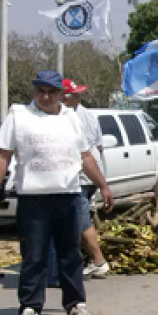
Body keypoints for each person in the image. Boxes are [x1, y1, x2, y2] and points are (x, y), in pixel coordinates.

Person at [0, 70, 113, 315]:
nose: (46, 96)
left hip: (68, 196)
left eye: (52, 91)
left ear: (61, 94)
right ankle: (30, 307)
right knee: (34, 255)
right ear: (33, 91)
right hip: (33, 199)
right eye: (41, 90)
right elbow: (2, 156)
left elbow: (85, 156)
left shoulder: (71, 119)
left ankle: (76, 305)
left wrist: (103, 185)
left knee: (70, 254)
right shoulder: (19, 115)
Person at [55, 78, 109, 280]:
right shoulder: (85, 115)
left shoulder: (75, 117)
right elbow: (99, 147)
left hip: (82, 176)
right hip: (87, 175)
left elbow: (83, 152)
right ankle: (85, 259)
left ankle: (98, 260)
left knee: (80, 219)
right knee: (76, 218)